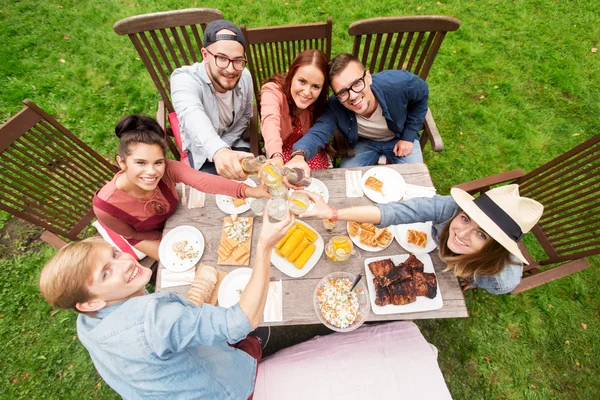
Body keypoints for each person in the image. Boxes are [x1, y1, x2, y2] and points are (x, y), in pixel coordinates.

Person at [39, 206, 295, 399]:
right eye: (105, 273)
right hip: (219, 391)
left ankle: (248, 346)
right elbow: (242, 320)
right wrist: (263, 248)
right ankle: (252, 354)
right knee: (246, 337)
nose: (127, 262)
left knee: (232, 337)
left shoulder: (86, 322)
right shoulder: (154, 320)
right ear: (90, 303)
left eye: (115, 253)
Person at [300, 184, 544, 294]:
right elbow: (395, 212)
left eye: (482, 234)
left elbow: (488, 279)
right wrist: (333, 212)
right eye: (466, 219)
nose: (461, 233)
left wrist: (474, 282)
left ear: (494, 249)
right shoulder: (450, 208)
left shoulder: (500, 281)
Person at [93, 114, 269, 261]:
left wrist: (251, 191)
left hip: (175, 217)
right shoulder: (105, 208)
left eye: (158, 162)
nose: (151, 172)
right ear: (121, 162)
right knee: (185, 262)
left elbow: (202, 181)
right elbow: (133, 235)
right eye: (140, 163)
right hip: (146, 236)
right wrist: (165, 236)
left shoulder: (169, 168)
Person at [285, 52, 429, 177]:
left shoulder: (399, 83)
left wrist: (409, 136)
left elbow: (422, 93)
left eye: (357, 83)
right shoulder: (336, 106)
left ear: (368, 77)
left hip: (399, 137)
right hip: (365, 142)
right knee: (345, 183)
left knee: (417, 183)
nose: (352, 96)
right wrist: (299, 155)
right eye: (342, 92)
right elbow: (318, 133)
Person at [171, 20, 253, 180]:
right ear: (205, 55)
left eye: (237, 60)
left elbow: (245, 116)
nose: (230, 69)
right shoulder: (183, 79)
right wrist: (219, 151)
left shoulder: (245, 76)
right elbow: (191, 115)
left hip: (235, 139)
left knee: (249, 190)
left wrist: (226, 144)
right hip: (201, 151)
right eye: (222, 58)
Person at [260, 49, 330, 170]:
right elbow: (270, 122)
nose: (307, 92)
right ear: (292, 76)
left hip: (309, 148)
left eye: (315, 86)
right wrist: (276, 157)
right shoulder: (272, 91)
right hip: (279, 150)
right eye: (302, 81)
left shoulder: (320, 101)